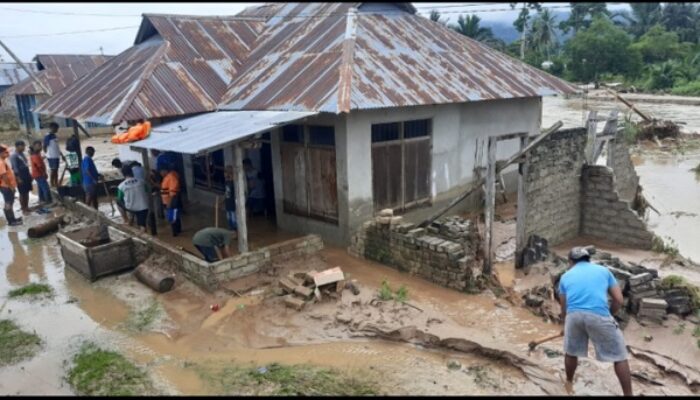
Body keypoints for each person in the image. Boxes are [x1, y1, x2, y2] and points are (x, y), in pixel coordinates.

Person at [558, 247, 632, 396]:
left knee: (571, 352)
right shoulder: (603, 271)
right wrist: (608, 315)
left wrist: (566, 324)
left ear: (571, 262)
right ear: (588, 259)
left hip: (574, 316)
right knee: (620, 357)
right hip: (598, 314)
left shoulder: (565, 276)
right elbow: (618, 300)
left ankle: (569, 382)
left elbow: (564, 307)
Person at [117, 165, 150, 232]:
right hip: (143, 207)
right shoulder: (142, 181)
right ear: (132, 172)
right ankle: (143, 232)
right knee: (142, 225)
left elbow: (119, 199)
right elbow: (148, 191)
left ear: (123, 174)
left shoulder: (121, 186)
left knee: (118, 202)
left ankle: (126, 220)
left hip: (130, 207)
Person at [0, 144, 22, 225]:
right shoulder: (1, 163)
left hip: (5, 186)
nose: (8, 154)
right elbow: (4, 176)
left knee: (9, 202)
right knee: (8, 203)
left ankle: (12, 219)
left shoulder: (2, 161)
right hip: (6, 187)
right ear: (1, 153)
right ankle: (11, 221)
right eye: (6, 152)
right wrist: (11, 187)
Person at [10, 140, 33, 214]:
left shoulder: (22, 154)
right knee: (22, 193)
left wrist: (29, 175)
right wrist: (18, 178)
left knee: (27, 192)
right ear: (17, 146)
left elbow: (26, 165)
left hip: (26, 174)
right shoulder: (14, 156)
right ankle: (23, 209)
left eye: (24, 146)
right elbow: (14, 168)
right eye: (22, 146)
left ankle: (26, 207)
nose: (24, 147)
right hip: (20, 175)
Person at [160, 164, 181, 236]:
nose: (161, 173)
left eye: (161, 171)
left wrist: (169, 202)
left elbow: (173, 191)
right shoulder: (167, 177)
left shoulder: (171, 177)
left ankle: (175, 233)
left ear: (165, 171)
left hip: (172, 200)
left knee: (172, 217)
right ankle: (177, 230)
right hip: (168, 200)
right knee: (174, 216)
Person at [29, 140, 52, 204]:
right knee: (45, 188)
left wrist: (42, 158)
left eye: (41, 145)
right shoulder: (35, 156)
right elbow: (39, 166)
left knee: (40, 187)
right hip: (39, 174)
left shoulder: (35, 154)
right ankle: (48, 201)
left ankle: (41, 200)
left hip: (36, 174)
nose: (41, 147)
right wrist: (44, 173)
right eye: (39, 146)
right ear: (34, 146)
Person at [43, 122, 62, 187]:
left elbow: (57, 146)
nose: (57, 129)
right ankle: (51, 183)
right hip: (51, 156)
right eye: (56, 128)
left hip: (56, 155)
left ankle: (56, 183)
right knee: (53, 169)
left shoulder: (54, 136)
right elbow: (44, 146)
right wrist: (47, 154)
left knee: (56, 170)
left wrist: (61, 155)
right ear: (51, 128)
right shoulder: (47, 136)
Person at [223, 166, 238, 233]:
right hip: (228, 203)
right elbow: (226, 193)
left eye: (226, 172)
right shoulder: (226, 182)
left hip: (233, 203)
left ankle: (235, 230)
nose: (225, 174)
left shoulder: (234, 183)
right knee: (229, 217)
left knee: (233, 218)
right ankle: (231, 229)